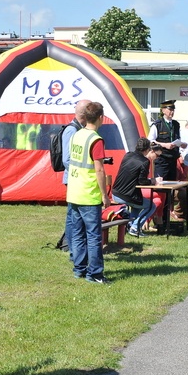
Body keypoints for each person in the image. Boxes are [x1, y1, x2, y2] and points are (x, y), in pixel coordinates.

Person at [67, 101, 111, 284]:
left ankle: (79, 269)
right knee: (93, 236)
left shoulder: (77, 134)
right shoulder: (95, 139)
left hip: (74, 191)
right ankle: (95, 273)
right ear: (101, 117)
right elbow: (99, 170)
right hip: (88, 193)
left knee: (77, 234)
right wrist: (105, 194)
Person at [111, 138, 160, 237]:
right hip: (127, 195)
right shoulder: (145, 161)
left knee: (138, 204)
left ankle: (130, 225)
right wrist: (153, 181)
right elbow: (142, 182)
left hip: (115, 192)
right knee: (151, 206)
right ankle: (135, 227)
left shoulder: (127, 155)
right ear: (147, 150)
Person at [58, 100, 89, 253]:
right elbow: (67, 159)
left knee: (74, 213)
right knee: (72, 213)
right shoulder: (72, 130)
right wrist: (81, 173)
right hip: (73, 178)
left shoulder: (80, 128)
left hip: (76, 177)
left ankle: (70, 244)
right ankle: (69, 245)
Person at [148, 99, 182, 181]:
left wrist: (181, 144)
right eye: (170, 109)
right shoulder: (157, 124)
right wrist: (164, 145)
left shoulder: (176, 124)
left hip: (173, 159)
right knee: (161, 184)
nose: (172, 112)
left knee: (172, 184)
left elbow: (178, 138)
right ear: (163, 110)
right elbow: (150, 141)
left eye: (173, 110)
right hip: (162, 159)